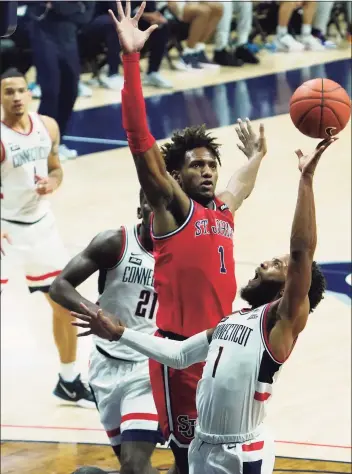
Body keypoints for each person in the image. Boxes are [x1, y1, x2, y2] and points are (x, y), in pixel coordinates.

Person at [72, 137, 335, 474]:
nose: (261, 264)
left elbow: (301, 250)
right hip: (202, 446)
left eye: (276, 266)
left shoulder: (279, 323)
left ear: (290, 289)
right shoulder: (230, 322)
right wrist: (121, 333)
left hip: (241, 453)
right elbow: (179, 355)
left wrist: (306, 180)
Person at [109, 2, 267, 472]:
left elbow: (238, 184)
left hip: (221, 349)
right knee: (186, 459)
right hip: (178, 357)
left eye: (210, 164)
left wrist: (256, 157)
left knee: (218, 454)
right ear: (175, 175)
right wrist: (131, 60)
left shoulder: (222, 209)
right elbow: (139, 139)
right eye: (195, 165)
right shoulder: (172, 208)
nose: (206, 170)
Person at [49, 190, 163, 474]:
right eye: (152, 205)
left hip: (147, 368)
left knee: (134, 465)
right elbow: (59, 286)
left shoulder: (182, 253)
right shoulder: (115, 243)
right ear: (140, 210)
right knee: (130, 467)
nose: (159, 213)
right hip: (105, 366)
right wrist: (96, 312)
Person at [0, 68, 94, 407]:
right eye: (8, 91)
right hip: (5, 230)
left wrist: (53, 182)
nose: (16, 97)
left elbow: (56, 168)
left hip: (40, 228)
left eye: (20, 90)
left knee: (64, 304)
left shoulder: (47, 126)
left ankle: (69, 381)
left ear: (29, 93)